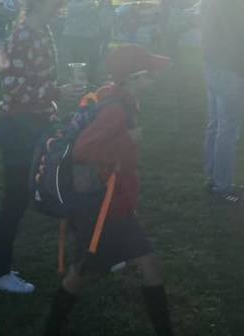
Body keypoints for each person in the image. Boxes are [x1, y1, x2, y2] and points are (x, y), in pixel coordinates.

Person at [43, 44, 174, 336]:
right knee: (81, 272)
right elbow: (82, 150)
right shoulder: (116, 109)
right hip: (103, 210)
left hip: (117, 204)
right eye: (151, 74)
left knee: (148, 263)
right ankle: (51, 327)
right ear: (134, 78)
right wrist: (127, 139)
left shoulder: (117, 96)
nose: (155, 79)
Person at [0, 0, 69, 294]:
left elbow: (40, 79)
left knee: (52, 185)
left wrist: (53, 98)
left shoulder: (43, 31)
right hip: (18, 127)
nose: (60, 10)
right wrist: (58, 91)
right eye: (56, 3)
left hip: (37, 121)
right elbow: (13, 87)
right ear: (39, 2)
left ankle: (96, 253)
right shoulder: (21, 36)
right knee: (15, 199)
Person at [199, 0, 244, 203]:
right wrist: (240, 67)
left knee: (215, 124)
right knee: (227, 128)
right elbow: (233, 36)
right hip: (228, 68)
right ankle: (222, 184)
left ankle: (211, 176)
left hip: (211, 65)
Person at [62, 0, 101, 83]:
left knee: (78, 58)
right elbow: (93, 19)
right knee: (86, 58)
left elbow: (67, 20)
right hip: (84, 35)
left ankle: (78, 78)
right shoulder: (90, 4)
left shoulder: (70, 5)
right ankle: (86, 79)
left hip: (75, 35)